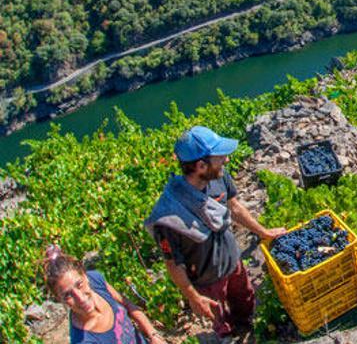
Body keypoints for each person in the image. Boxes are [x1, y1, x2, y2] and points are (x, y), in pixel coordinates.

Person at [144, 126, 287, 338]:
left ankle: (246, 327)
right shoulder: (168, 217)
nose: (227, 161)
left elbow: (235, 207)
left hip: (233, 260)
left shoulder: (219, 177)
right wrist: (193, 296)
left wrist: (263, 232)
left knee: (245, 297)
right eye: (220, 157)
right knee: (219, 318)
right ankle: (228, 335)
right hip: (207, 280)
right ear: (201, 165)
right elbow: (173, 263)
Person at [42, 245, 166, 344]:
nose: (80, 298)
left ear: (85, 276)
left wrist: (153, 334)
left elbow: (127, 304)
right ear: (60, 299)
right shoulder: (86, 341)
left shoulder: (96, 280)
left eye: (79, 284)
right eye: (68, 295)